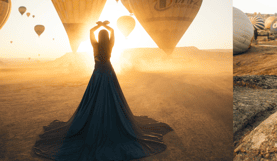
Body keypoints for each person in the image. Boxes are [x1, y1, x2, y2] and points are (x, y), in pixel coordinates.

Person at [33, 21, 173, 160]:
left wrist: (98, 26)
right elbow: (112, 33)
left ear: (100, 38)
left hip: (98, 73)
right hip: (109, 72)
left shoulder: (95, 45)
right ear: (107, 38)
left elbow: (90, 33)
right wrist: (106, 26)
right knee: (112, 96)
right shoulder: (110, 45)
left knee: (94, 98)